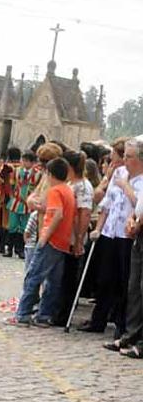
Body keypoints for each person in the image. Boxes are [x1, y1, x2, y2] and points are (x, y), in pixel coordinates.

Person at [80, 139, 143, 336]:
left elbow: (138, 204)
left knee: (125, 282)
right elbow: (107, 203)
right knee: (104, 278)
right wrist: (98, 227)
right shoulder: (118, 172)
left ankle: (122, 326)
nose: (124, 160)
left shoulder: (139, 180)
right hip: (109, 231)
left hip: (127, 235)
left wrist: (126, 186)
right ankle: (98, 320)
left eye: (128, 157)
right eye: (124, 156)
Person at [7, 156, 75, 327]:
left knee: (33, 275)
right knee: (53, 281)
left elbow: (57, 214)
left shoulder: (55, 191)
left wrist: (44, 237)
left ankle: (22, 314)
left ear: (49, 174)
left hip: (51, 240)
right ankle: (44, 315)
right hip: (63, 242)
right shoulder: (68, 190)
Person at [54, 149, 94, 327]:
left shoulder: (84, 187)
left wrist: (79, 240)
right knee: (60, 276)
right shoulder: (70, 183)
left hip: (72, 237)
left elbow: (85, 214)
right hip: (63, 236)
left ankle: (63, 314)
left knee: (69, 278)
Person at [108, 172, 143, 357]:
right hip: (139, 235)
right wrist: (133, 219)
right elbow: (139, 206)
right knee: (134, 288)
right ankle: (131, 335)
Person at [5, 150, 38, 258]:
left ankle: (20, 249)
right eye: (23, 160)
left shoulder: (38, 174)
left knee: (24, 226)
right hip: (16, 201)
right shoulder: (17, 171)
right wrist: (11, 196)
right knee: (12, 225)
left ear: (32, 162)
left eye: (27, 161)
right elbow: (11, 185)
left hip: (28, 204)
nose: (24, 163)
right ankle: (9, 248)